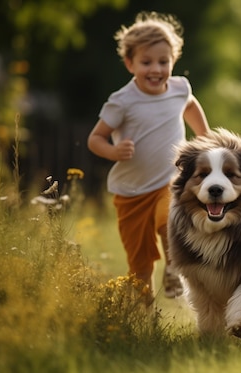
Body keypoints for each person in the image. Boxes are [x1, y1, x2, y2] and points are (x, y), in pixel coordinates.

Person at [88, 11, 210, 302]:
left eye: (163, 62)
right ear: (130, 63)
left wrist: (205, 138)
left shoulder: (179, 88)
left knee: (171, 221)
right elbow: (95, 139)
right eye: (146, 62)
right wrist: (113, 151)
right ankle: (142, 317)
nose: (156, 69)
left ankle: (174, 268)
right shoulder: (122, 101)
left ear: (173, 61)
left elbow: (190, 106)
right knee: (139, 265)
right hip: (130, 194)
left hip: (169, 183)